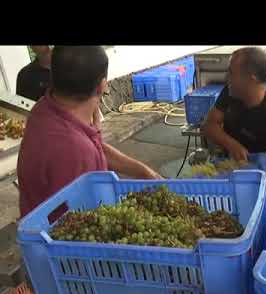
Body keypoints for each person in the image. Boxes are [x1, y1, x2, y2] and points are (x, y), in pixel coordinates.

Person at [17, 46, 163, 219]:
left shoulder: (44, 108)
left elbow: (95, 147)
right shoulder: (75, 150)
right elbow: (91, 225)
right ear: (102, 86)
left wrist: (143, 171)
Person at [202, 47, 266, 213]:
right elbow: (209, 125)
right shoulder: (230, 93)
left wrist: (265, 184)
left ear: (251, 79)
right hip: (232, 173)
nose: (227, 77)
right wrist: (232, 144)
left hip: (265, 182)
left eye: (231, 72)